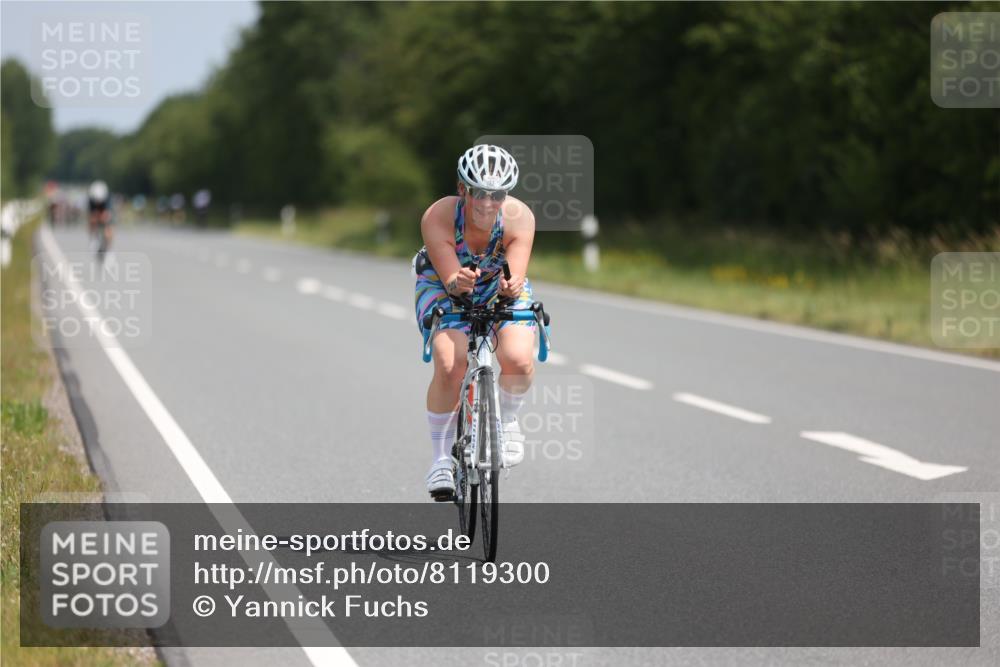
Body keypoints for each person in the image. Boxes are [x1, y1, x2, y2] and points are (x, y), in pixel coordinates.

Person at [413, 144, 537, 498]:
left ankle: (508, 419)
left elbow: (517, 271)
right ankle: (440, 459)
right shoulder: (438, 215)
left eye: (496, 194)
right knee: (451, 364)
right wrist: (457, 281)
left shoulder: (520, 217)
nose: (487, 203)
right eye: (479, 192)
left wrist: (511, 285)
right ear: (462, 188)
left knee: (517, 358)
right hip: (442, 282)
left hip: (497, 286)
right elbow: (450, 273)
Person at [87, 180, 113, 261]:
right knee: (92, 220)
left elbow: (107, 214)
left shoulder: (107, 198)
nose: (98, 202)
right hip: (95, 211)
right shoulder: (91, 199)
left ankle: (108, 249)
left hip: (105, 210)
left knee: (109, 228)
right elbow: (91, 214)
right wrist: (95, 218)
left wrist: (104, 218)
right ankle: (93, 239)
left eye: (99, 201)